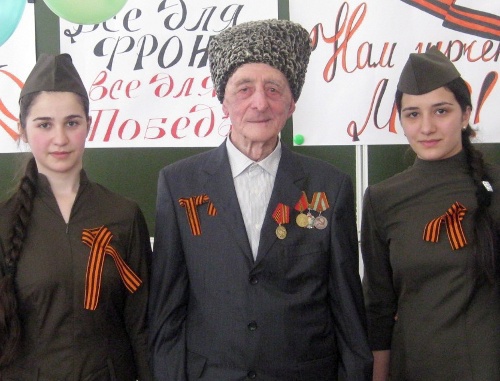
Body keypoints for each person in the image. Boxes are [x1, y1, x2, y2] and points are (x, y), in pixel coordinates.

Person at [149, 19, 373, 380]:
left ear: (292, 103)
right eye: (244, 88)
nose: (259, 103)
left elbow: (348, 314)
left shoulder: (330, 188)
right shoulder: (179, 185)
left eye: (273, 88)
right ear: (223, 100)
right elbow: (166, 314)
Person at [0, 54, 153, 380]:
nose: (60, 138)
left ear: (88, 126)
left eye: (72, 122)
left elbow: (141, 325)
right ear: (22, 130)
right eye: (44, 124)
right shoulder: (3, 224)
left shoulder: (123, 217)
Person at [361, 46, 500, 380]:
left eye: (441, 111)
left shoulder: (494, 187)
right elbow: (378, 308)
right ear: (400, 120)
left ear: (466, 114)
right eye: (412, 114)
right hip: (413, 368)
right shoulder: (382, 199)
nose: (426, 127)